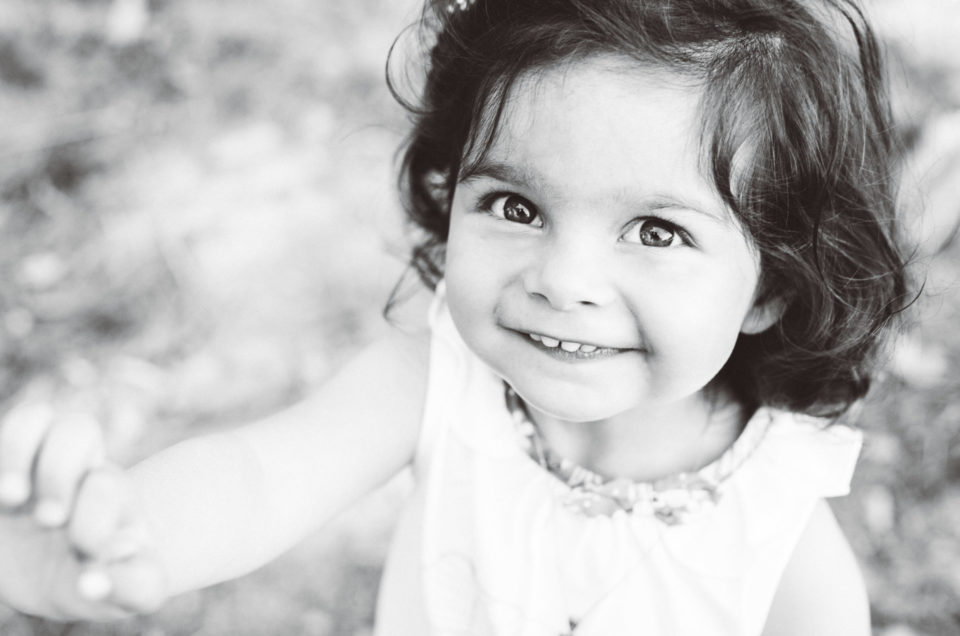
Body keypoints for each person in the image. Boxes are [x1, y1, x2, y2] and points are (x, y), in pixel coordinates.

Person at [0, 0, 912, 633]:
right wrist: (127, 532)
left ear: (770, 287)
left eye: (656, 230)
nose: (563, 279)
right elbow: (257, 478)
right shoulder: (435, 378)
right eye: (516, 207)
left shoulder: (781, 538)